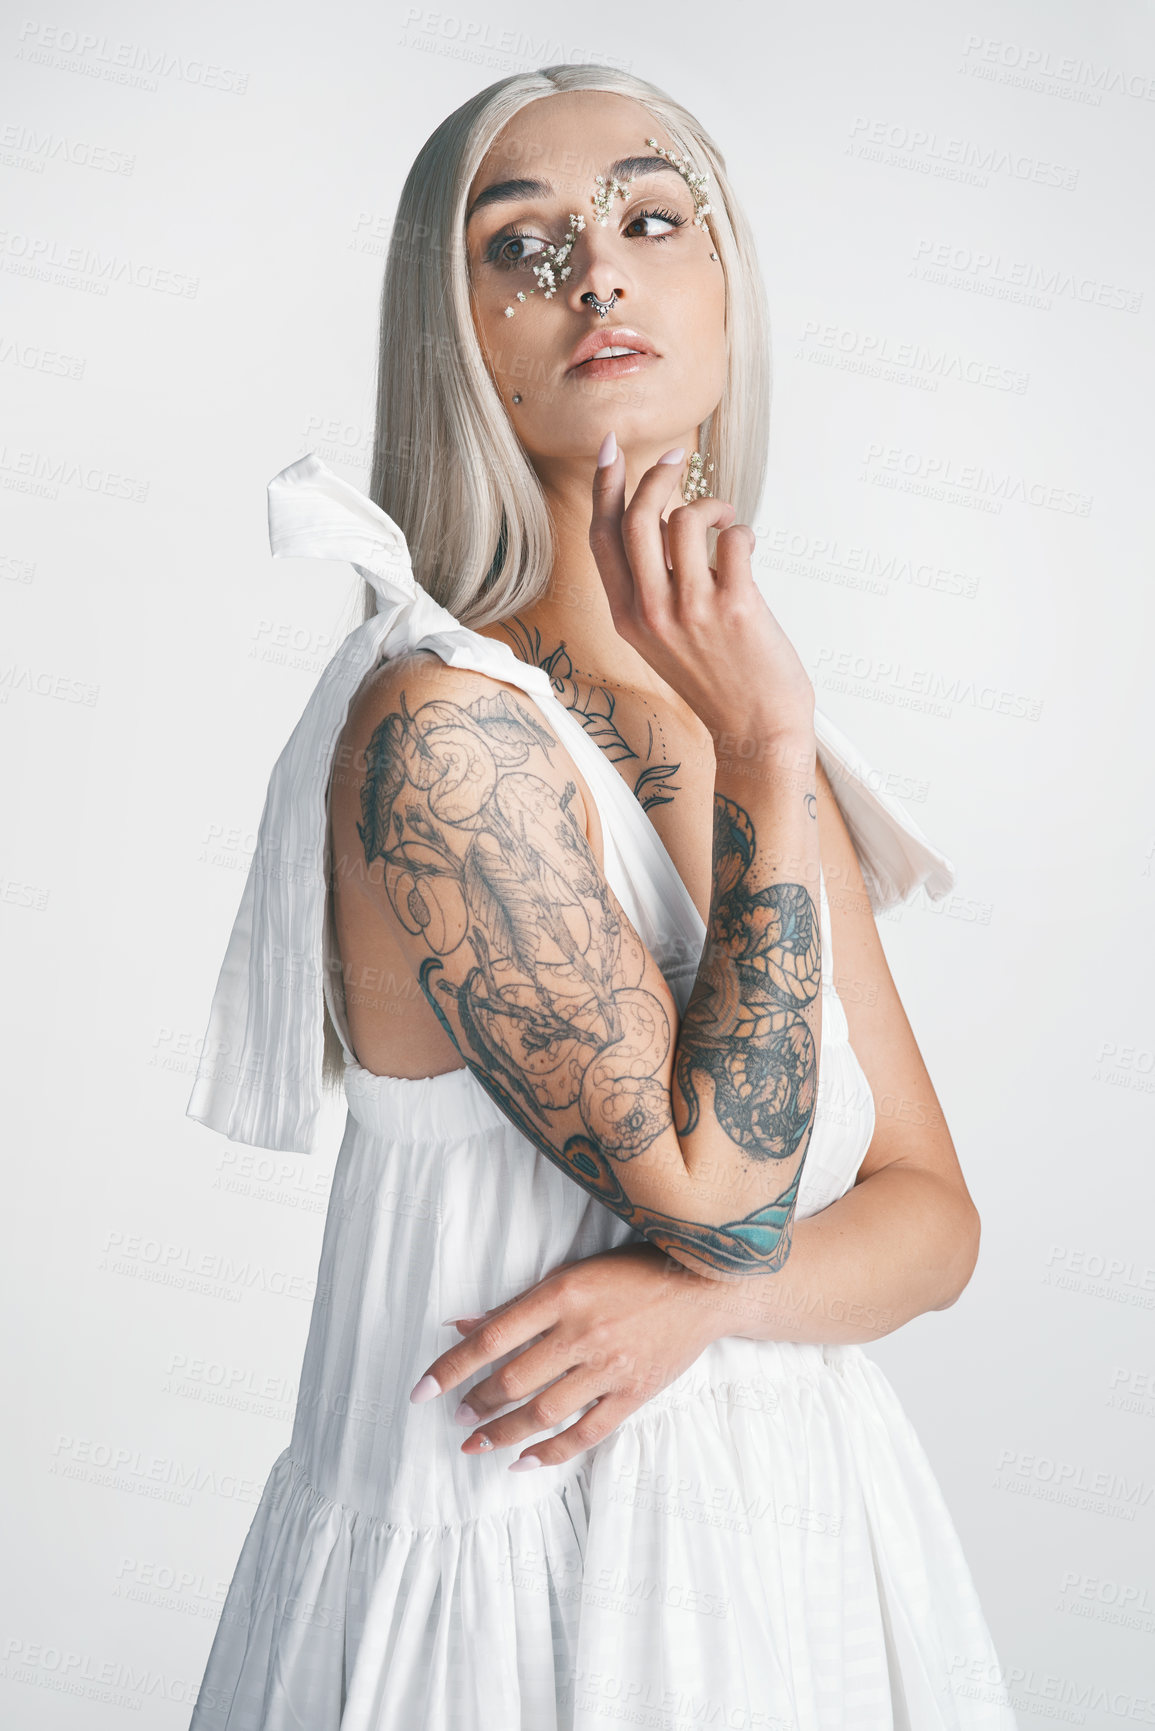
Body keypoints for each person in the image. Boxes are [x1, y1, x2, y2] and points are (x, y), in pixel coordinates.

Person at [185, 63, 1018, 1731]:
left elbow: (934, 1220)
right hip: (508, 1573)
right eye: (524, 246)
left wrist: (689, 1319)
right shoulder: (441, 728)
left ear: (724, 298)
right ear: (458, 339)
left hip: (797, 1562)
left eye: (648, 221)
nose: (598, 274)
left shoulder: (743, 716)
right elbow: (721, 1194)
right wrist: (769, 752)